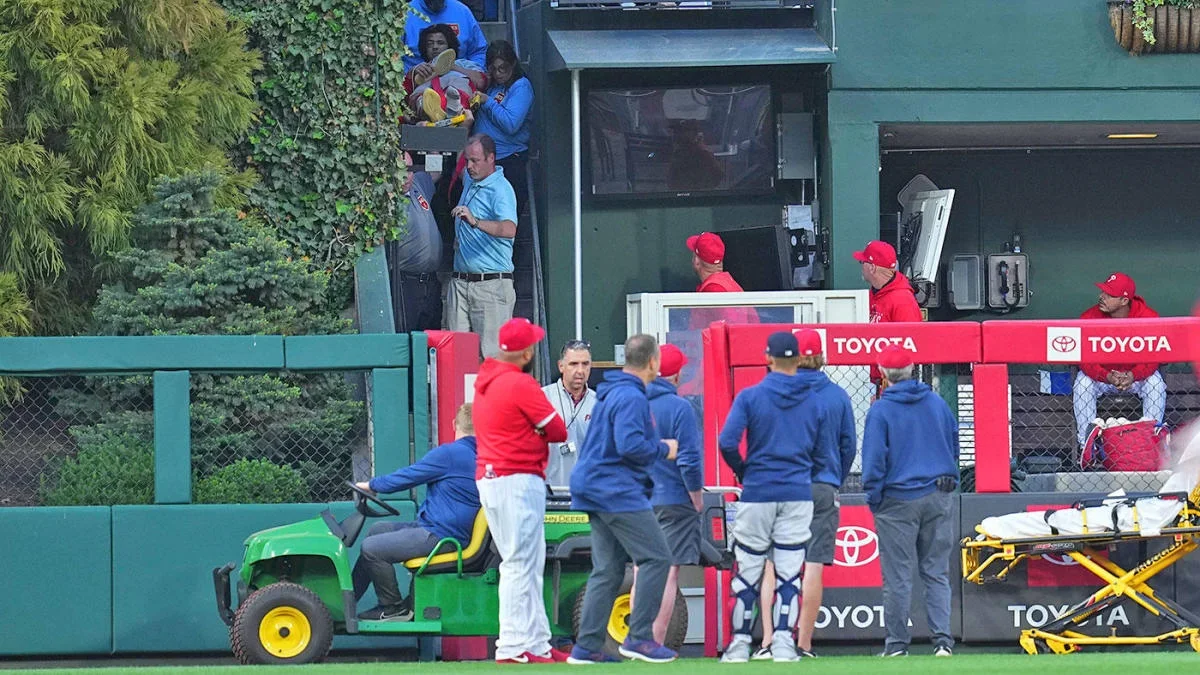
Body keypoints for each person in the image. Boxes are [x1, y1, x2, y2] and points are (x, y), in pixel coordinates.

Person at [568, 334, 680, 665]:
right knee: (657, 558)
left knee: (608, 568)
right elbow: (630, 445)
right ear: (653, 362)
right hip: (616, 490)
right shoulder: (631, 398)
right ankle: (640, 638)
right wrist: (664, 448)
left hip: (593, 487)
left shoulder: (613, 392)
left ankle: (587, 646)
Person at [717, 331, 828, 663]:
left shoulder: (751, 396)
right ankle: (783, 642)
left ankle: (739, 645)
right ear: (797, 360)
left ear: (768, 358)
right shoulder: (814, 400)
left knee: (748, 569)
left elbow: (727, 441)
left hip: (758, 491)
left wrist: (745, 471)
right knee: (790, 572)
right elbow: (824, 453)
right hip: (796, 492)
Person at [752, 330, 857, 660]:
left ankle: (769, 641)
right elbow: (848, 447)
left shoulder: (773, 393)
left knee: (771, 565)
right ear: (821, 356)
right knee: (813, 565)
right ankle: (803, 644)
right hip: (821, 487)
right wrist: (831, 480)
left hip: (779, 485)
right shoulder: (837, 395)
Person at [472, 318, 569, 664]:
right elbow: (558, 430)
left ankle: (537, 644)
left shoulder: (487, 380)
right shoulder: (518, 384)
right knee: (517, 564)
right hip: (515, 479)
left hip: (496, 477)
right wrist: (536, 434)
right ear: (527, 352)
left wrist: (532, 432)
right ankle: (513, 647)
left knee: (529, 563)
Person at [861, 345, 958, 658]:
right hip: (938, 494)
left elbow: (874, 460)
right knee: (936, 572)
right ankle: (943, 643)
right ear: (913, 368)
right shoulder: (936, 402)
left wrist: (874, 497)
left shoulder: (880, 409)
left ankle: (898, 646)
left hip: (896, 500)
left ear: (884, 374)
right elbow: (954, 443)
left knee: (898, 577)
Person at [352, 403, 480, 621]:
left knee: (370, 548)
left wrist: (372, 485)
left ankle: (392, 607)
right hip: (445, 530)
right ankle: (348, 601)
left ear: (454, 425)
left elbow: (409, 476)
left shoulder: (450, 454)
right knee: (377, 529)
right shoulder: (479, 456)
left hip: (443, 536)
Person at [644, 343, 704, 645]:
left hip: (638, 500)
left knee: (643, 569)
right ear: (678, 375)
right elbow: (690, 459)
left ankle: (637, 639)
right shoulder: (681, 408)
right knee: (667, 572)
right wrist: (696, 495)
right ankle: (654, 643)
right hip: (673, 499)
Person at [1073, 272, 1166, 448]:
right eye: (1103, 292)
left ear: (1124, 301)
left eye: (1109, 295)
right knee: (1082, 383)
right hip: (1103, 379)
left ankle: (1151, 440)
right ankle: (1087, 444)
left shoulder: (1148, 317)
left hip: (1135, 379)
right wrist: (1106, 376)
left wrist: (1133, 375)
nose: (1102, 297)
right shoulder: (1089, 317)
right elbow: (1084, 361)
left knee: (1155, 383)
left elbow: (1154, 358)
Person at [446, 134, 518, 357]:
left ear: (491, 159)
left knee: (492, 361)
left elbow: (509, 229)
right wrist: (465, 125)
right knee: (456, 359)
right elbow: (462, 156)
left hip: (491, 286)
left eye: (475, 161)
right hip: (460, 283)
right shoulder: (471, 179)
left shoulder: (501, 190)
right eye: (468, 160)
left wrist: (475, 222)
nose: (469, 166)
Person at [472, 40, 534, 217]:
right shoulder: (494, 86)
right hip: (487, 161)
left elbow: (511, 124)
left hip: (509, 161)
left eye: (503, 68)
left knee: (504, 216)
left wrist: (487, 102)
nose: (498, 74)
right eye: (493, 69)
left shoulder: (521, 86)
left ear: (513, 64)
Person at [389, 152, 443, 333]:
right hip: (406, 283)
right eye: (399, 170)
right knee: (407, 341)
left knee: (432, 344)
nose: (405, 176)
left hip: (430, 282)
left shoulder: (418, 184)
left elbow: (436, 170)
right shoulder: (386, 199)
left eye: (409, 170)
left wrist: (429, 138)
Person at [403, 24, 486, 125]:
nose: (435, 47)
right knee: (422, 94)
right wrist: (413, 72)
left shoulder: (463, 64)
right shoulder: (421, 69)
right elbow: (403, 95)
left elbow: (481, 82)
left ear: (449, 46)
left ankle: (454, 108)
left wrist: (451, 66)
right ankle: (428, 110)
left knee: (458, 83)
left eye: (440, 43)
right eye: (430, 44)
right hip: (427, 123)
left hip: (460, 117)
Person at [541, 339, 596, 487]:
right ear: (561, 366)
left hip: (587, 493)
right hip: (549, 491)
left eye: (585, 364)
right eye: (573, 364)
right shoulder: (542, 398)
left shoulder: (599, 404)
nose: (580, 370)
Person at [403, 0, 487, 72]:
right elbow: (394, 60)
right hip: (416, 83)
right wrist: (411, 73)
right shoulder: (405, 14)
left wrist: (470, 73)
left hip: (459, 79)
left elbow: (479, 51)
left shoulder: (462, 11)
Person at [854, 240, 922, 324]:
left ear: (872, 268)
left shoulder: (903, 301)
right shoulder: (874, 292)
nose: (861, 267)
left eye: (862, 262)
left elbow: (912, 335)